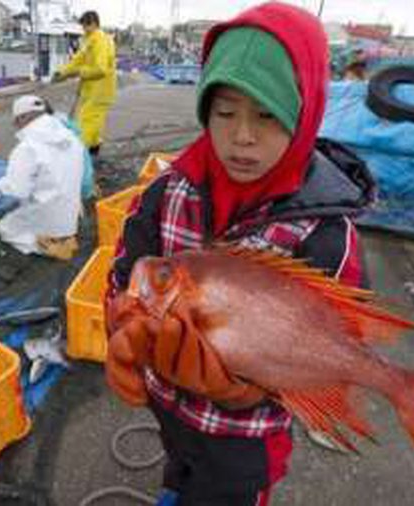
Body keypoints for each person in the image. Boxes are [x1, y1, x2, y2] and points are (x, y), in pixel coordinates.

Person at [104, 4, 376, 505]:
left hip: (243, 446)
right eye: (225, 112)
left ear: (306, 111)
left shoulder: (326, 235)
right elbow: (124, 277)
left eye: (268, 115)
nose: (243, 135)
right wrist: (120, 330)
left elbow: (341, 346)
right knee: (179, 471)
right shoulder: (166, 193)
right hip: (167, 410)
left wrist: (253, 391)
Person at [0, 95, 86, 260]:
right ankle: (66, 238)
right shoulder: (71, 136)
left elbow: (18, 191)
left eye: (16, 121)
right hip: (71, 216)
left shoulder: (27, 148)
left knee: (4, 229)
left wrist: (0, 184)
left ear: (22, 118)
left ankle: (45, 245)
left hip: (46, 216)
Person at [53, 10, 117, 159]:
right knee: (91, 122)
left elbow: (101, 69)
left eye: (85, 26)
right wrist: (61, 72)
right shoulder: (88, 40)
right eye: (82, 26)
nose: (84, 29)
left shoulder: (101, 40)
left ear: (94, 23)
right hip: (90, 91)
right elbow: (77, 60)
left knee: (86, 123)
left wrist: (79, 72)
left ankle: (79, 155)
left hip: (101, 92)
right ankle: (94, 147)